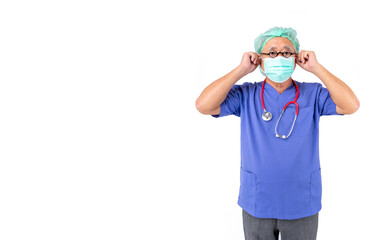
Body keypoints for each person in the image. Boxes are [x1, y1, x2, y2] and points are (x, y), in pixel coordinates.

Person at [195, 27, 360, 240]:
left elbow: (351, 105)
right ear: (260, 60)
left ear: (296, 59)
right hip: (257, 200)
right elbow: (203, 105)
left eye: (287, 52)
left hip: (301, 202)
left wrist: (317, 68)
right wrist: (240, 70)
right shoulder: (246, 94)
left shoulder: (313, 94)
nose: (279, 57)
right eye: (271, 53)